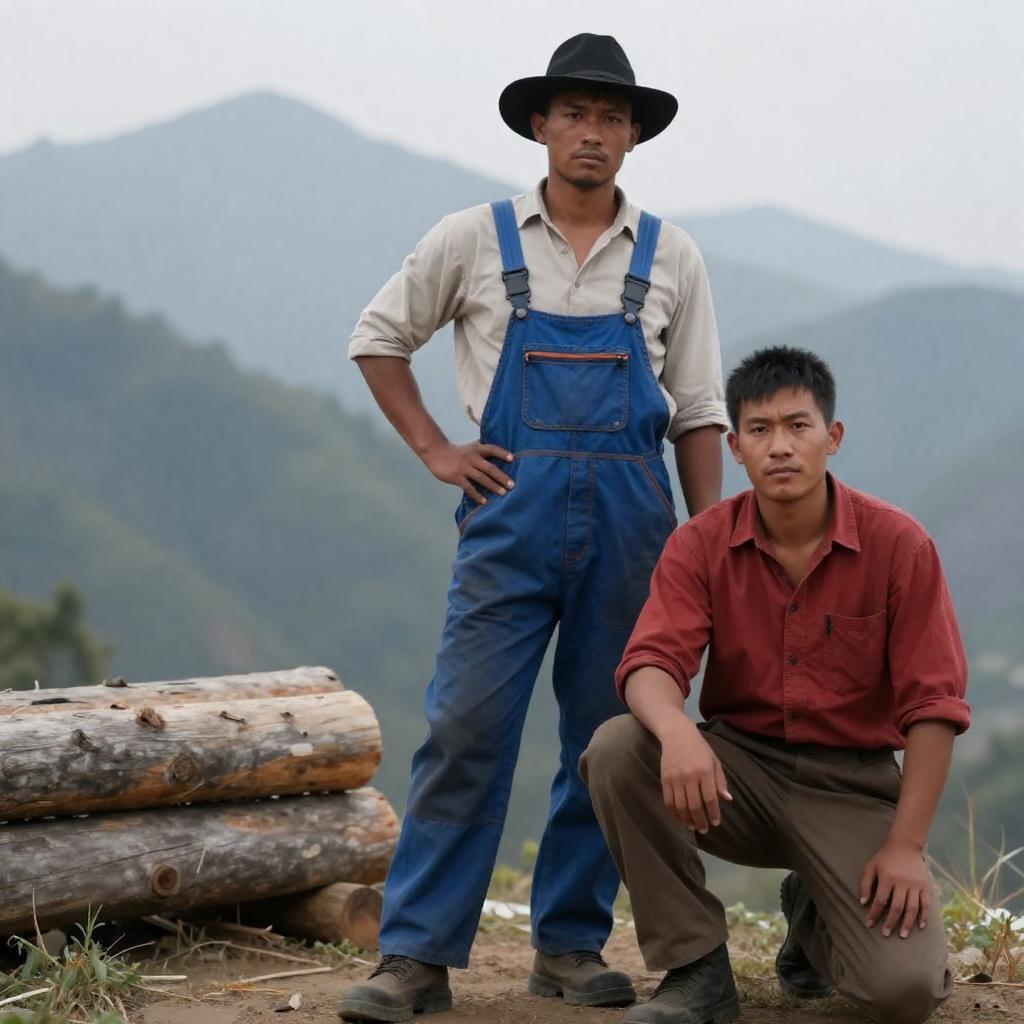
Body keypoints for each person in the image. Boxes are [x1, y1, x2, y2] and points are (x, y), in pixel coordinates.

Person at [338, 32, 729, 1023]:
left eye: (611, 117)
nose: (591, 132)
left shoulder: (671, 255)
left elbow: (696, 411)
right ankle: (415, 956)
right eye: (574, 114)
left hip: (635, 529)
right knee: (465, 728)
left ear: (633, 136)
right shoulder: (473, 240)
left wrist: (710, 546)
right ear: (539, 125)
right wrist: (436, 449)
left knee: (605, 739)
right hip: (507, 518)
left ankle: (568, 943)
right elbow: (378, 339)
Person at [580, 345, 970, 1024]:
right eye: (759, 430)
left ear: (832, 437)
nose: (780, 446)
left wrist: (905, 847)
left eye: (798, 426)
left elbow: (934, 707)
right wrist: (677, 733)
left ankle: (812, 916)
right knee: (619, 748)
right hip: (738, 776)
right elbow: (650, 663)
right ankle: (696, 969)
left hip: (851, 787)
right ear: (736, 448)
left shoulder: (898, 546)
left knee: (902, 994)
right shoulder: (701, 543)